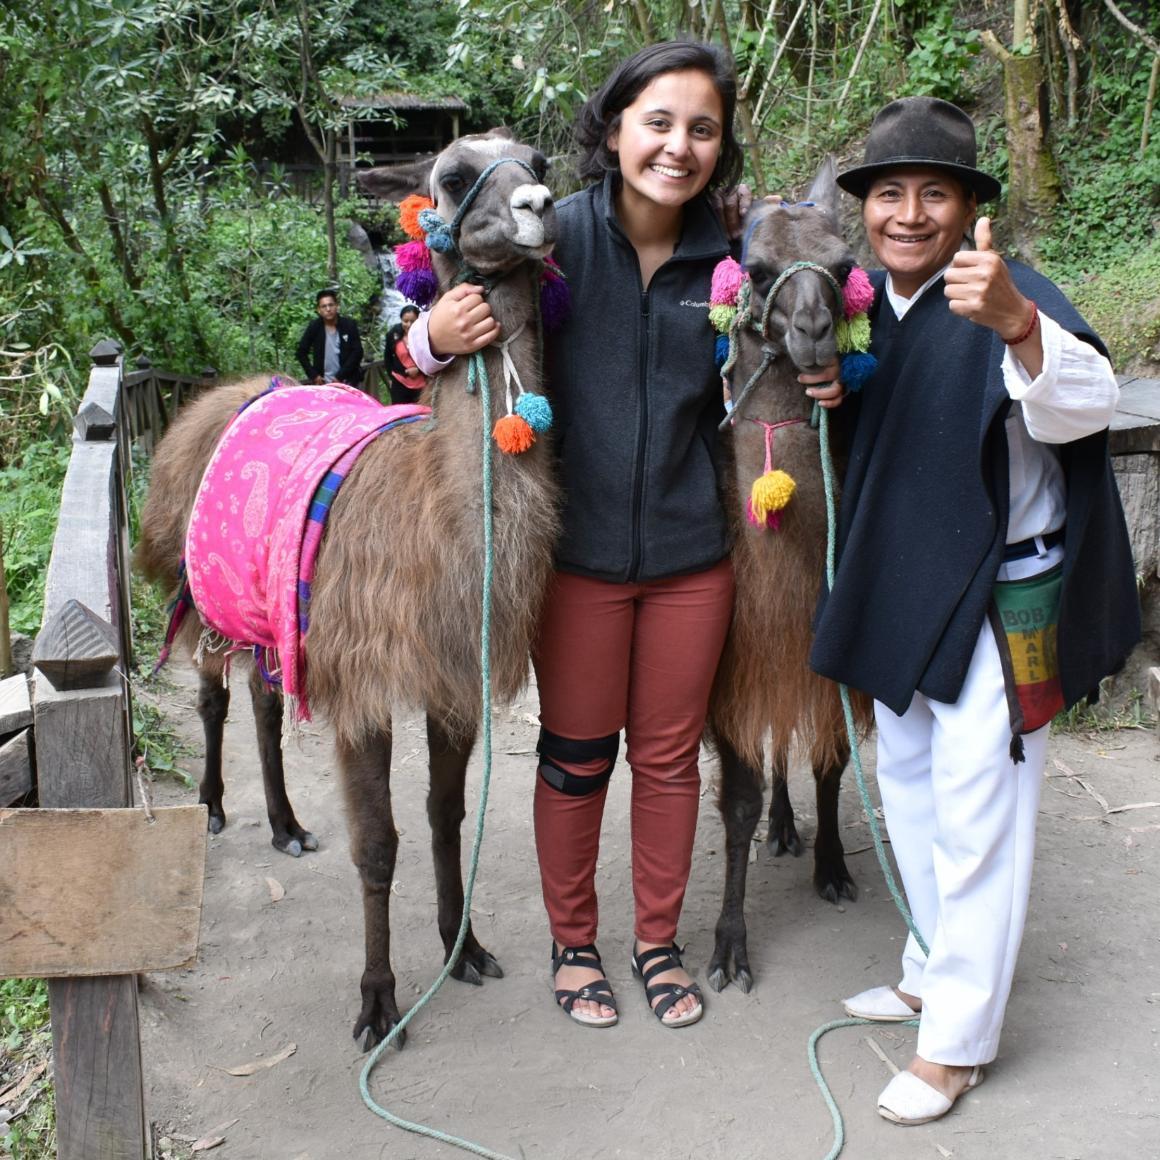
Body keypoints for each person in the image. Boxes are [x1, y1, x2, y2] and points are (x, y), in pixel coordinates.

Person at [410, 41, 841, 1029]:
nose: (677, 146)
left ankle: (654, 939)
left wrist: (830, 375)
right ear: (613, 129)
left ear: (720, 145)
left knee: (666, 754)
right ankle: (573, 942)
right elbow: (422, 350)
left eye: (701, 128)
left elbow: (804, 330)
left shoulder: (729, 253)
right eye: (657, 121)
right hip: (578, 556)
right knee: (574, 755)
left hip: (695, 553)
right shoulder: (548, 235)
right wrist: (431, 336)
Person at [810, 97, 1140, 1124]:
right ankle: (923, 966)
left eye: (933, 193)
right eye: (888, 193)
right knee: (907, 786)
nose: (906, 214)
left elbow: (1083, 400)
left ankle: (954, 1044)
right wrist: (836, 389)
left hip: (1003, 599)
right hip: (906, 588)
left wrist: (1015, 322)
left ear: (968, 208)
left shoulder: (1012, 293)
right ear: (864, 209)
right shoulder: (879, 311)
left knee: (978, 818)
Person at [295, 289, 364, 387]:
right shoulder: (315, 327)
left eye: (331, 305)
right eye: (324, 306)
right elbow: (301, 352)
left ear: (337, 306)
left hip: (348, 382)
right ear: (319, 310)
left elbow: (358, 352)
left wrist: (339, 377)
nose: (328, 309)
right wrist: (314, 375)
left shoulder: (349, 325)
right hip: (324, 384)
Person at [384, 304, 428, 405]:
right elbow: (388, 358)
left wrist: (418, 369)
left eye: (412, 321)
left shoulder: (425, 335)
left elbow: (431, 357)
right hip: (399, 382)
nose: (409, 325)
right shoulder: (393, 334)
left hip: (422, 384)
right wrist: (392, 377)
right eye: (405, 321)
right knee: (401, 416)